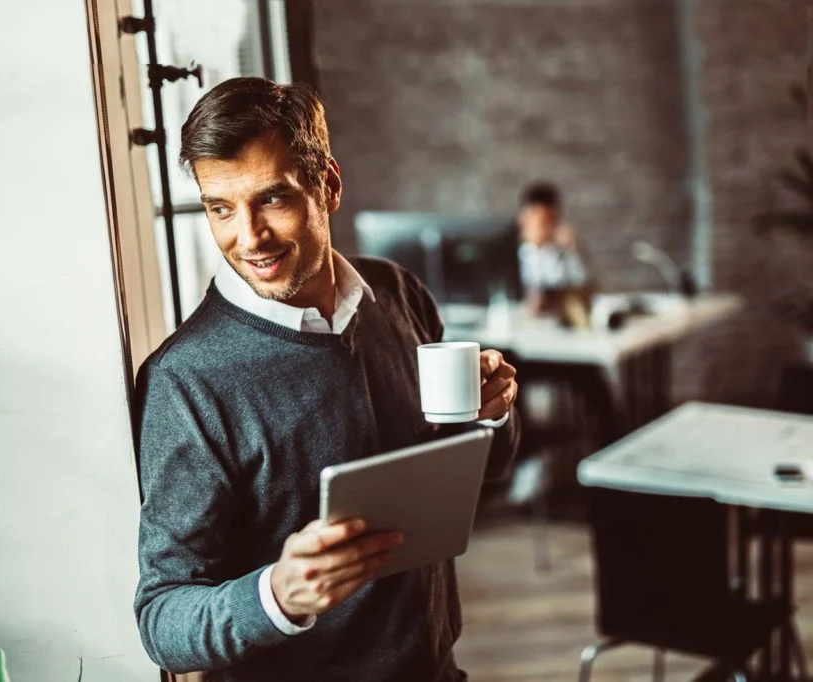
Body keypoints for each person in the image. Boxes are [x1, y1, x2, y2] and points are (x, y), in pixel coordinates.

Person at [132, 77, 521, 682]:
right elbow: (162, 619)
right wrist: (277, 596)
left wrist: (493, 413)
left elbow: (482, 471)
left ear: (329, 185)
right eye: (220, 208)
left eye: (273, 199)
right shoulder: (185, 380)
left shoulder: (396, 292)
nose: (248, 237)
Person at [516, 182, 590, 324]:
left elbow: (580, 286)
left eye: (546, 220)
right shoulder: (516, 251)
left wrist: (571, 251)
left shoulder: (561, 250)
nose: (541, 226)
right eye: (535, 218)